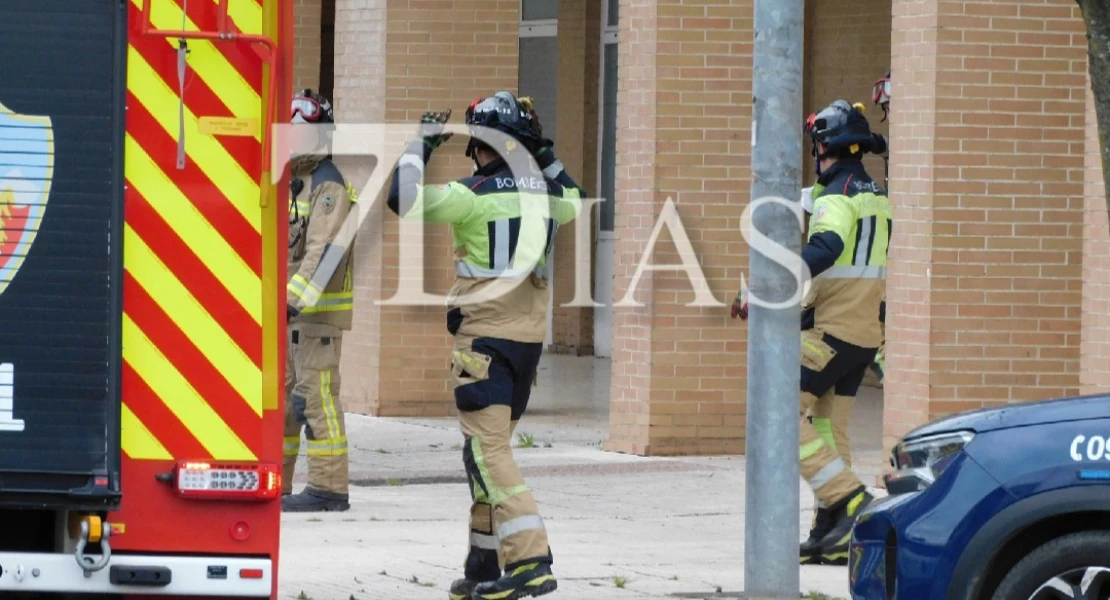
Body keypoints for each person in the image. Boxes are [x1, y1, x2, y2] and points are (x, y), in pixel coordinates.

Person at [385, 91, 583, 600]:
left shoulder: (469, 194)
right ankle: (483, 562)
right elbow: (577, 197)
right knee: (484, 453)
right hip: (527, 348)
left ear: (480, 145)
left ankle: (530, 561)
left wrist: (420, 144)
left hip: (485, 346)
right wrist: (544, 154)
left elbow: (399, 199)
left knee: (488, 452)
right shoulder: (548, 199)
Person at [282, 88, 359, 513]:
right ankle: (281, 483)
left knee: (317, 401)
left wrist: (293, 299)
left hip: (315, 319)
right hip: (294, 319)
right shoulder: (295, 178)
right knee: (288, 407)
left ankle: (329, 489)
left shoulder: (327, 183)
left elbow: (323, 248)